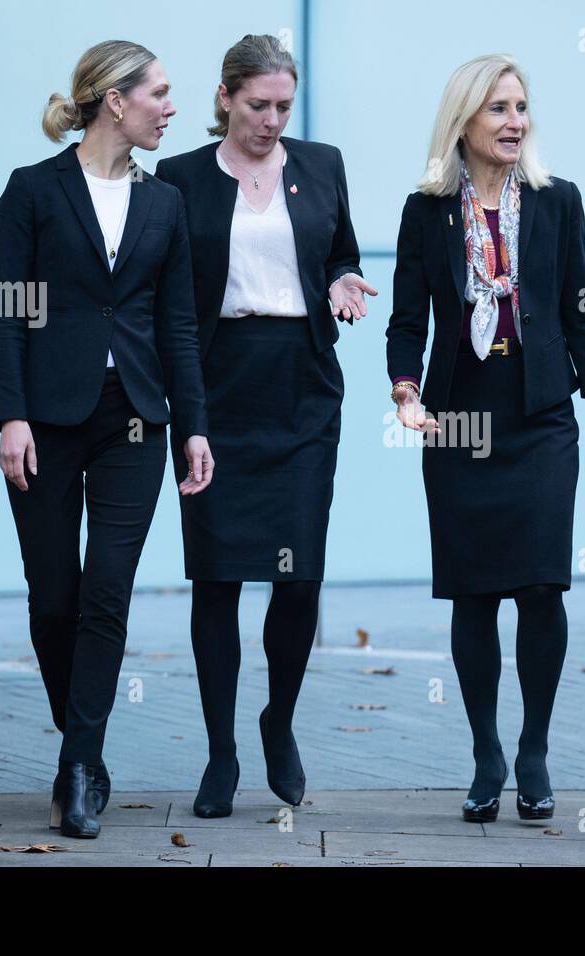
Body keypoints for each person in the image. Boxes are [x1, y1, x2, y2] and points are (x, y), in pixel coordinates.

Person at [386, 54, 585, 823]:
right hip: (459, 421)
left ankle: (533, 748)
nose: (514, 121)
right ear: (463, 120)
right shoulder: (426, 211)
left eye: (521, 107)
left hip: (537, 421)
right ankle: (485, 751)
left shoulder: (558, 203)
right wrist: (404, 391)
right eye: (498, 108)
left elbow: (580, 310)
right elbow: (406, 321)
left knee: (539, 585)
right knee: (472, 592)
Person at [0, 39, 213, 839]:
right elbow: (10, 308)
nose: (171, 106)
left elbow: (177, 324)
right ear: (114, 100)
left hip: (135, 420)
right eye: (159, 92)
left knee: (107, 591)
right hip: (45, 419)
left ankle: (79, 765)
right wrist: (10, 413)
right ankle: (84, 739)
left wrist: (192, 426)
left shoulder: (166, 203)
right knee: (55, 597)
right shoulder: (32, 192)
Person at [154, 34, 374, 818]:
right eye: (257, 105)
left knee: (298, 570)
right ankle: (220, 753)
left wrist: (344, 278)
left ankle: (278, 721)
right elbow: (168, 297)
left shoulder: (322, 165)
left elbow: (340, 252)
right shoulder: (179, 179)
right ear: (224, 98)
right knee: (217, 574)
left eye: (284, 106)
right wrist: (182, 409)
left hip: (303, 384)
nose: (272, 120)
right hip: (216, 380)